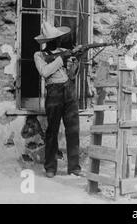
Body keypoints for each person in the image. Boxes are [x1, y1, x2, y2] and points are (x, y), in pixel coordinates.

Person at [33, 21, 82, 178]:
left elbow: (72, 76)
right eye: (55, 38)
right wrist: (62, 59)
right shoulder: (39, 55)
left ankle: (74, 167)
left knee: (73, 131)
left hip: (69, 90)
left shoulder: (65, 52)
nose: (59, 41)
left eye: (59, 38)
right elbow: (45, 72)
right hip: (54, 93)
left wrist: (75, 63)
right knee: (52, 132)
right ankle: (50, 167)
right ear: (47, 41)